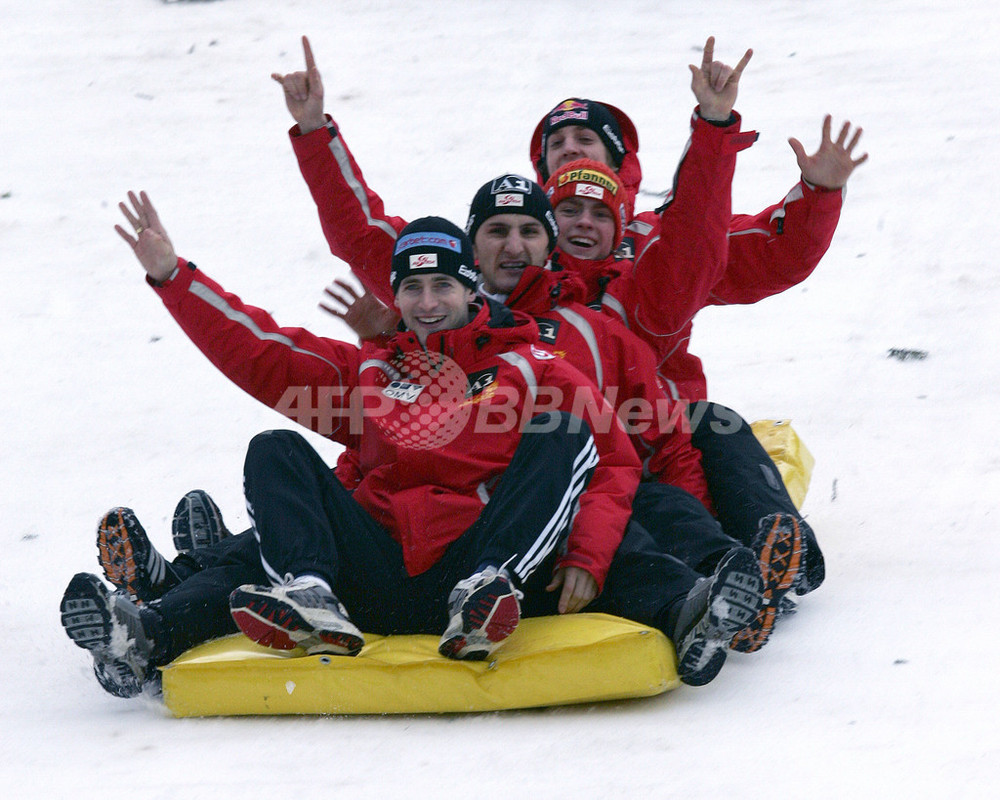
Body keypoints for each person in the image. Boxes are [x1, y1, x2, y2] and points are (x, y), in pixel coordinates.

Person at [60, 200, 766, 699]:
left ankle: (687, 613)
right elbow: (263, 352)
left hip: (492, 578)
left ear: (468, 291)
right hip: (374, 578)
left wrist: (585, 556)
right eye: (412, 288)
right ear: (396, 298)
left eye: (441, 286)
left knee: (577, 462)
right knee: (275, 448)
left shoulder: (531, 368)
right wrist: (173, 276)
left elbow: (612, 461)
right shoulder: (371, 373)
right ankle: (163, 631)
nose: (427, 302)